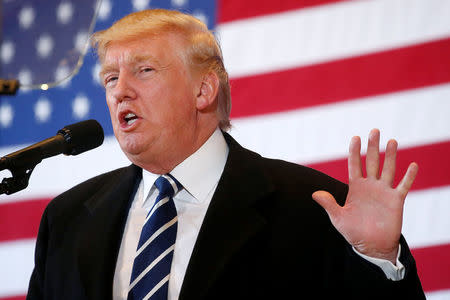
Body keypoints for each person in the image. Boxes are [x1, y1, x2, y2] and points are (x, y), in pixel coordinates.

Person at [26, 9, 425, 300]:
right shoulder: (67, 219)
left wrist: (376, 259)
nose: (120, 91)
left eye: (144, 70)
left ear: (204, 90)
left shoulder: (315, 210)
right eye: (111, 78)